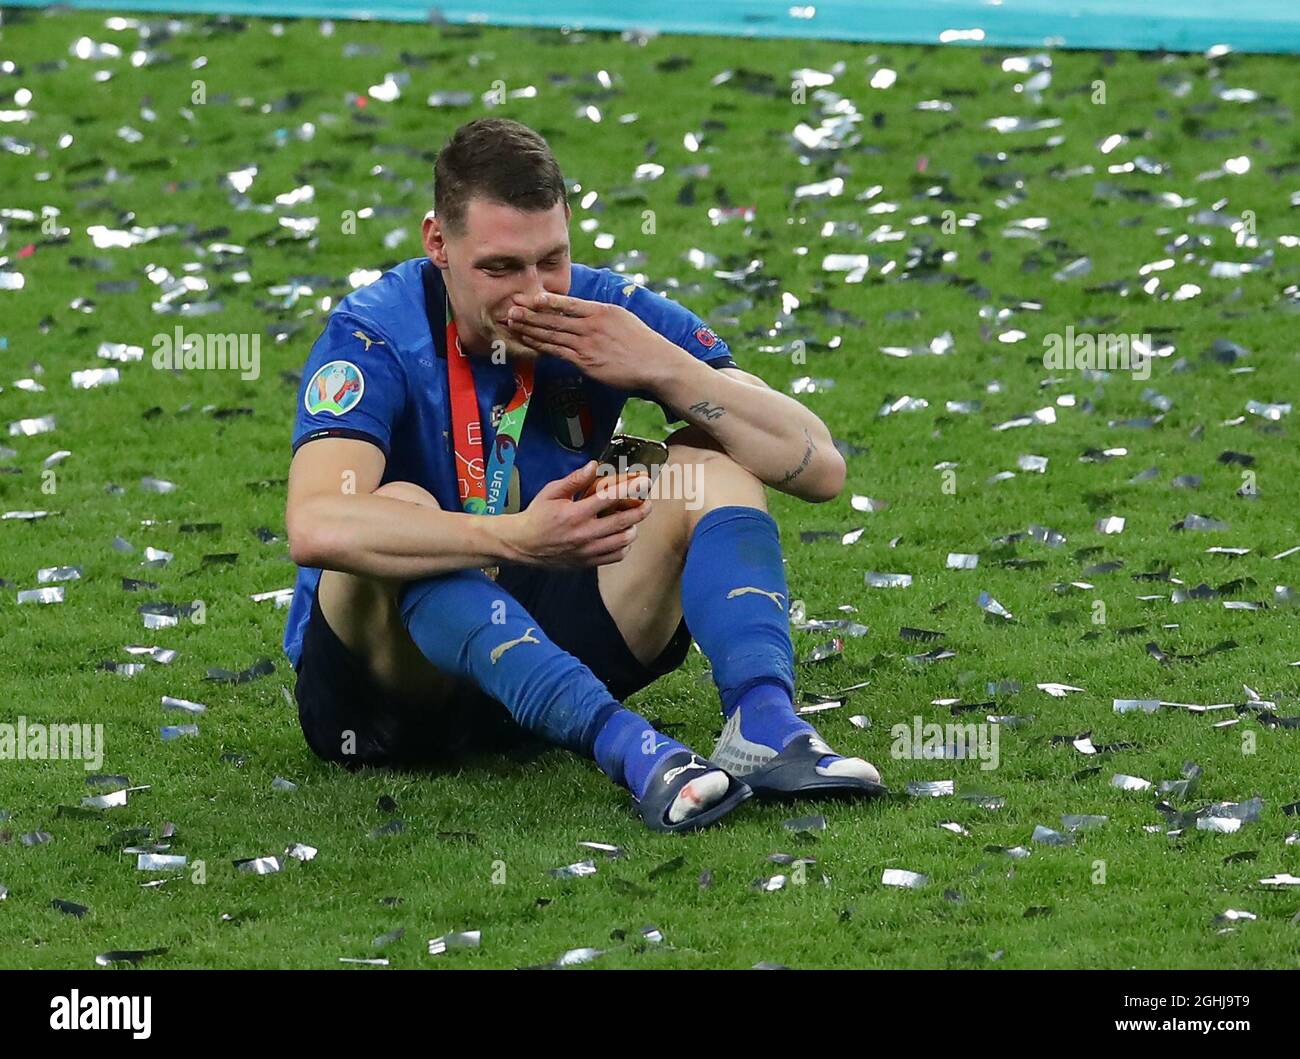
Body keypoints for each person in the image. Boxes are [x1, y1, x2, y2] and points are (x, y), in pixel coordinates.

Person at [283, 117, 884, 833]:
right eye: (501, 269)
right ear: (437, 243)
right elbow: (315, 522)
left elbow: (820, 466)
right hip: (396, 691)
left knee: (709, 456)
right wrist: (512, 536)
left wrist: (664, 366)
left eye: (551, 261)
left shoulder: (606, 311)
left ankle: (765, 723)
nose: (533, 294)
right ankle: (630, 748)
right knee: (405, 507)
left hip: (551, 628)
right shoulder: (374, 333)